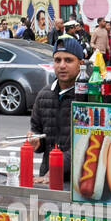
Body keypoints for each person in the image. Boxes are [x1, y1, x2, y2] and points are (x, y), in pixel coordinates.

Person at [27, 37, 83, 185]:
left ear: (80, 64)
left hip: (79, 182)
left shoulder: (89, 96)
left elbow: (87, 144)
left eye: (68, 60)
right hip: (47, 178)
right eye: (57, 60)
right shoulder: (44, 94)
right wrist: (36, 142)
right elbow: (37, 131)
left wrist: (58, 166)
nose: (62, 66)